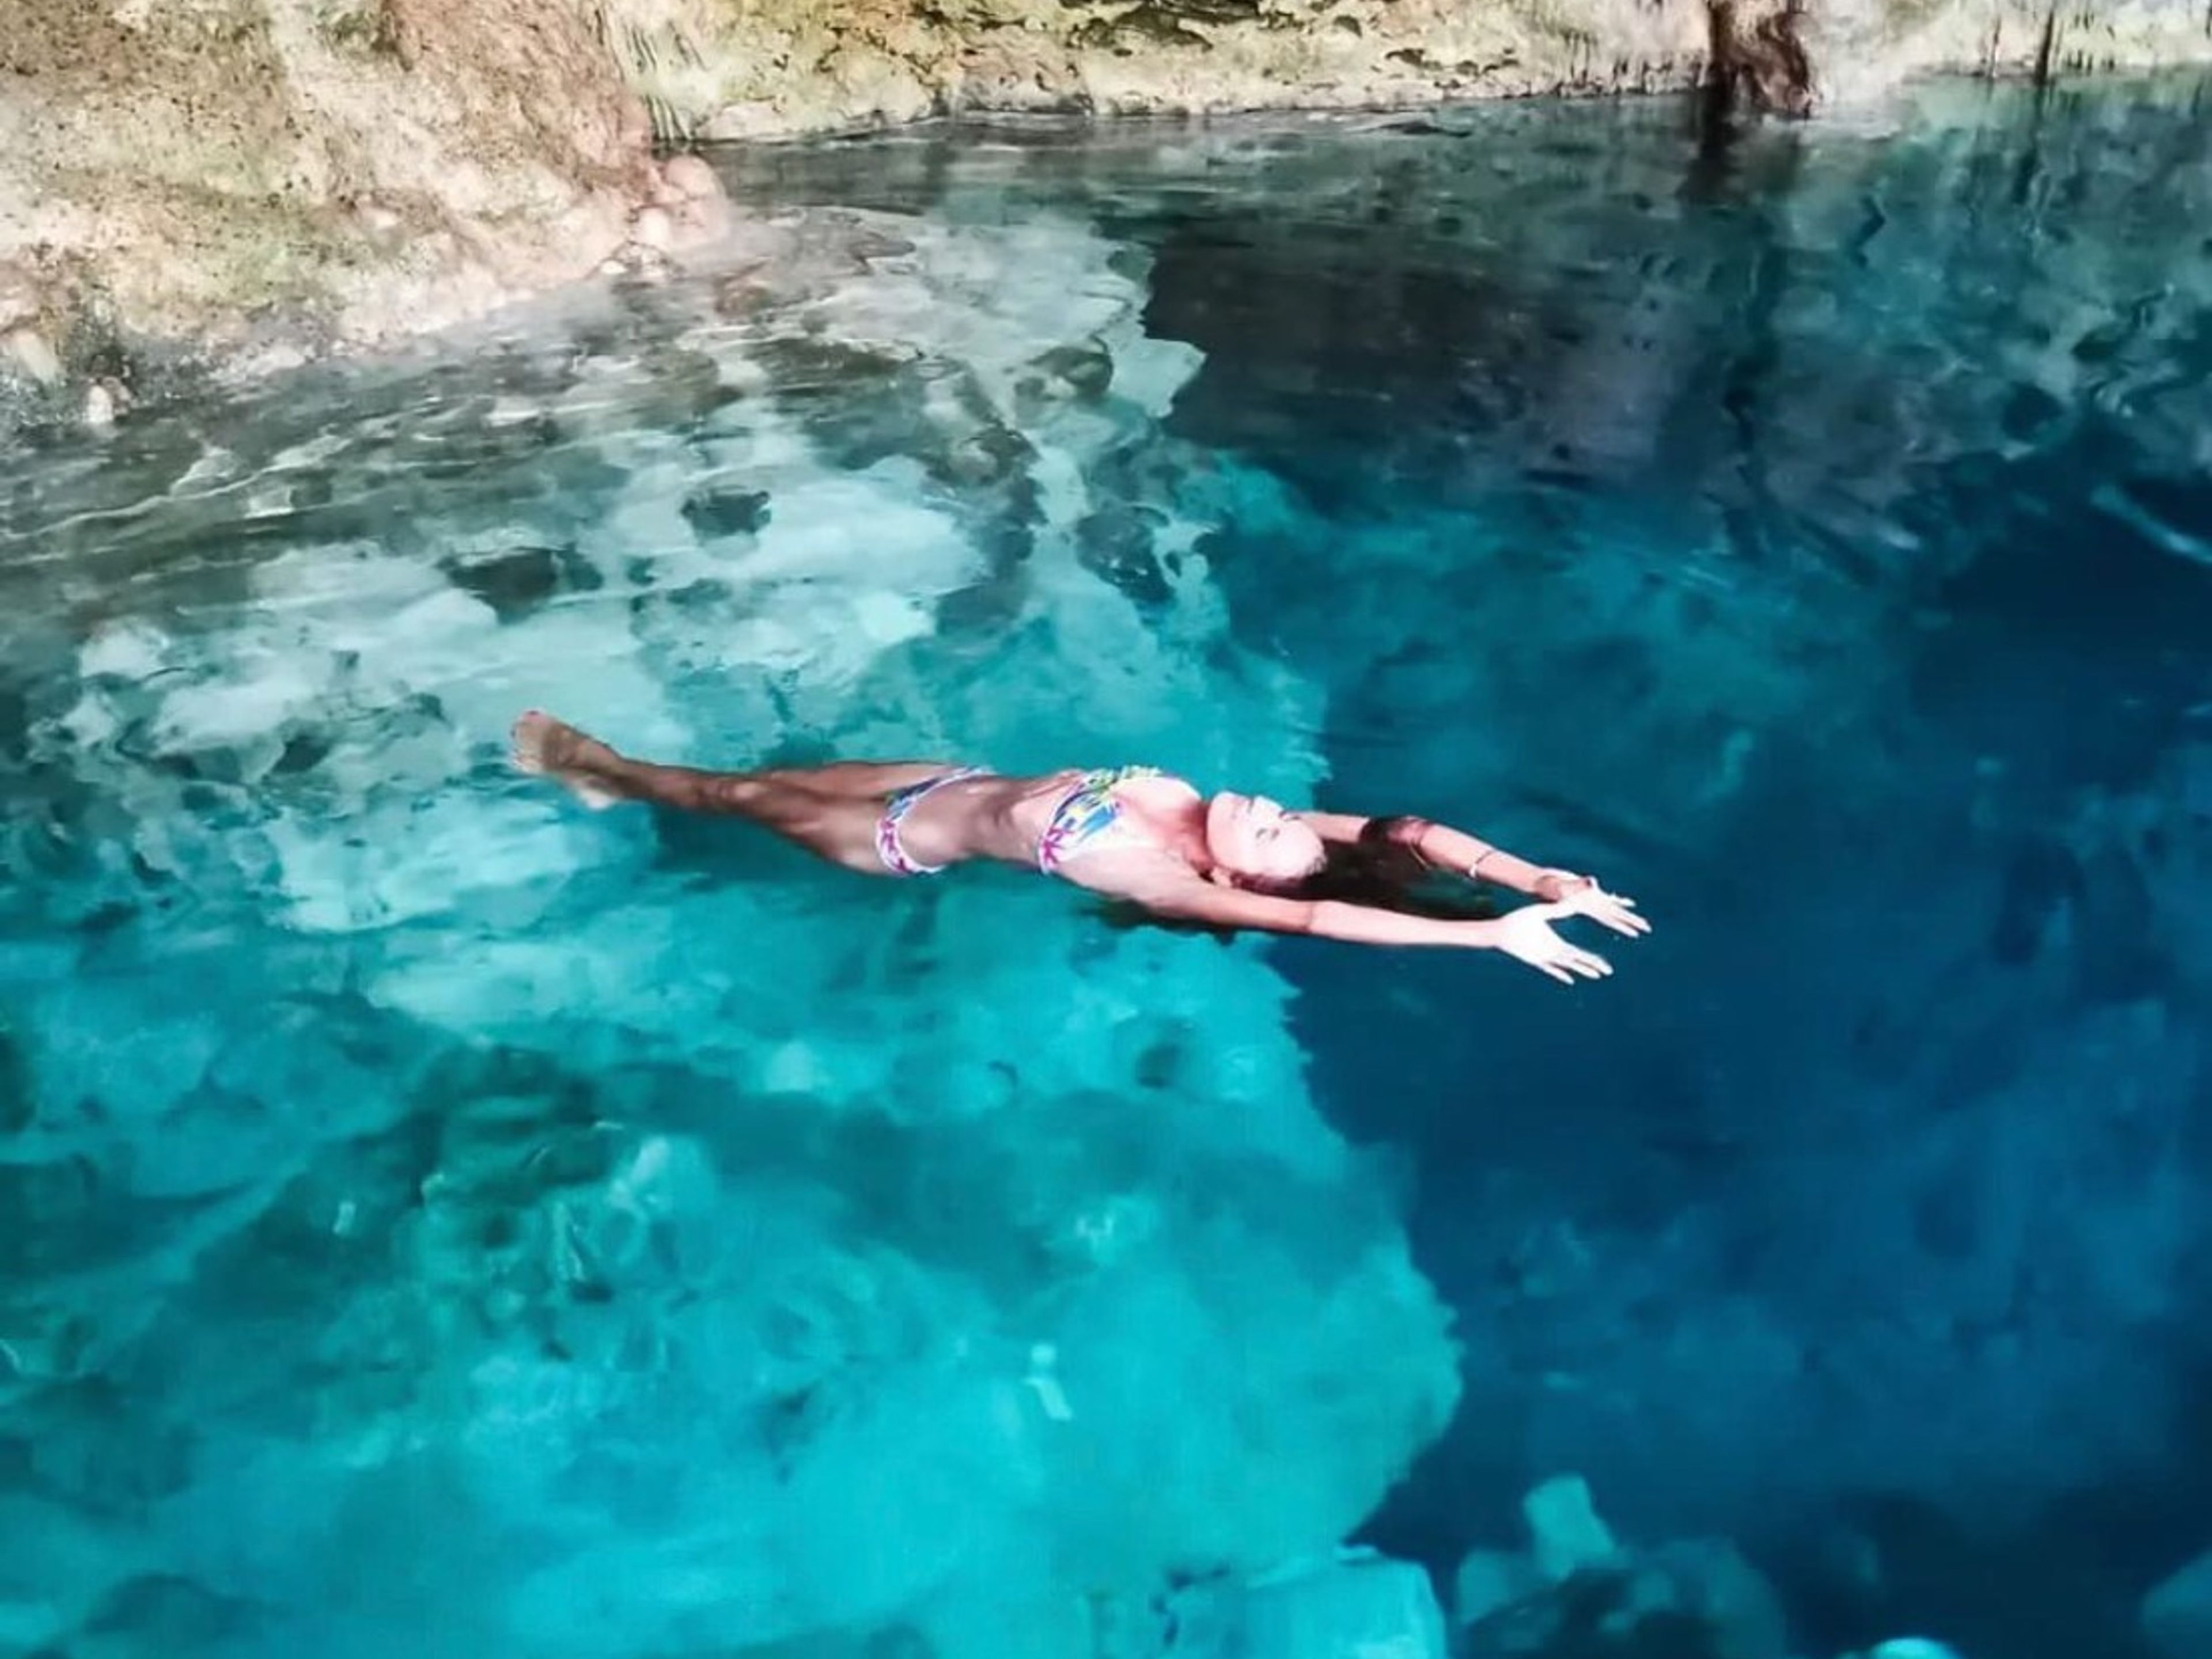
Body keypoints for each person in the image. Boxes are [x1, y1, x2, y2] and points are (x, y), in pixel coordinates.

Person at [510, 711, 1650, 983]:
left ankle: (601, 775)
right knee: (764, 778)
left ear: (1227, 885)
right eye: (1282, 822)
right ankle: (624, 783)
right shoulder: (1233, 832)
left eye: (1270, 839)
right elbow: (1404, 833)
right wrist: (1532, 877)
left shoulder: (1177, 879)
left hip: (897, 840)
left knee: (730, 792)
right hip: (938, 780)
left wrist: (1492, 938)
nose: (1275, 815)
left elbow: (1320, 913)